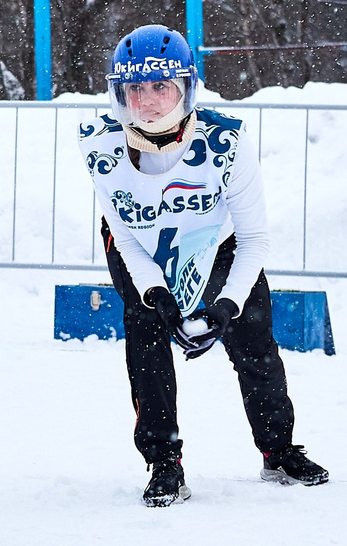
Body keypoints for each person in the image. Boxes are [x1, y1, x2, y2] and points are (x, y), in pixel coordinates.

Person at [81, 25, 329, 507]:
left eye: (160, 87)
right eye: (135, 89)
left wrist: (225, 307)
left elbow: (255, 238)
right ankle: (163, 463)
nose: (148, 101)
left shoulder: (225, 142)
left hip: (221, 244)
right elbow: (126, 237)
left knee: (255, 343)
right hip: (140, 250)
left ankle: (277, 450)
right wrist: (156, 294)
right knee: (147, 343)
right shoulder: (101, 146)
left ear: (186, 88)